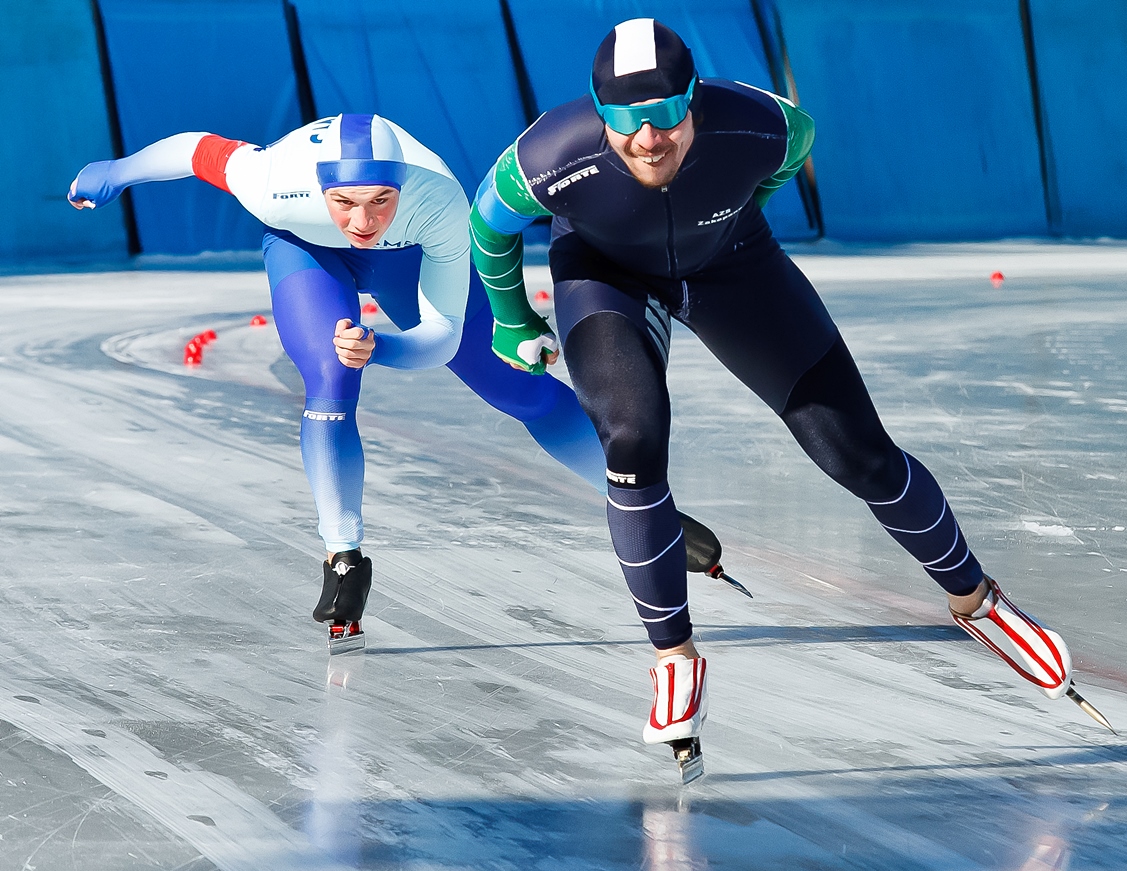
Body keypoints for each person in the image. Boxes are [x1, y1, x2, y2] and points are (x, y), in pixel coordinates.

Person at [470, 19, 1111, 779]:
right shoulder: (549, 158)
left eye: (666, 116)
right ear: (598, 114)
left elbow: (791, 154)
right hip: (607, 277)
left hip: (732, 263)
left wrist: (732, 210)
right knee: (633, 440)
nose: (647, 139)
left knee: (858, 453)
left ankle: (979, 601)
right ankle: (675, 658)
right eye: (623, 121)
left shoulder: (760, 125)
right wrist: (513, 319)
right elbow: (488, 226)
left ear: (694, 101)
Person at [68, 112, 738, 653]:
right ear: (319, 187)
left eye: (379, 200)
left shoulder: (438, 202)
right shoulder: (271, 178)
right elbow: (195, 149)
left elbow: (443, 338)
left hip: (410, 257)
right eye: (345, 202)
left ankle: (643, 509)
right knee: (331, 381)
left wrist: (382, 346)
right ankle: (344, 557)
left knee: (517, 388)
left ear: (401, 189)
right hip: (301, 247)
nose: (361, 222)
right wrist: (118, 172)